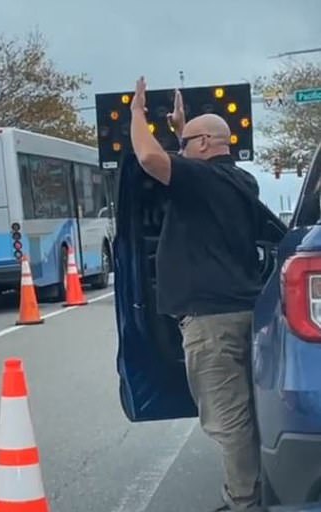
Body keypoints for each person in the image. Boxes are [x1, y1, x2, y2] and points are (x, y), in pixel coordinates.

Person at [129, 77, 263, 511]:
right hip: (243, 312)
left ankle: (245, 500)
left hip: (210, 323)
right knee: (249, 412)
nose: (179, 151)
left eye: (185, 144)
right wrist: (180, 128)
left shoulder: (199, 181)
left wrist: (136, 114)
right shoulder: (240, 182)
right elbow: (187, 163)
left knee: (230, 420)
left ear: (204, 144)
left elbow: (149, 158)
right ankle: (256, 491)